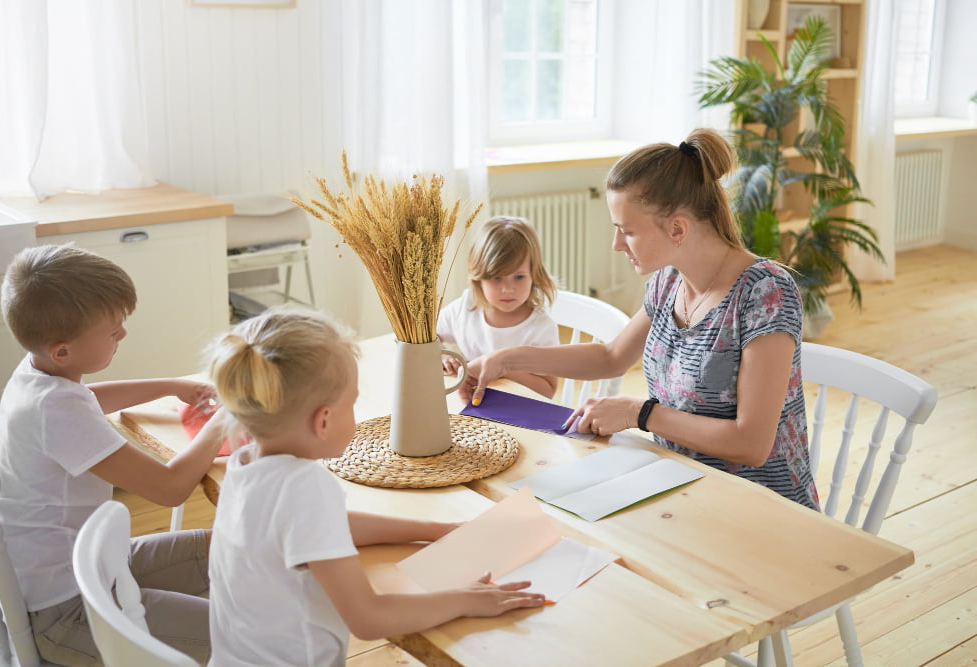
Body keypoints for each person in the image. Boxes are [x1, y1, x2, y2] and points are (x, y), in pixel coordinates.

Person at [461, 129, 819, 510]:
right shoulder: (668, 281)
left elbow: (751, 444)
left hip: (759, 506)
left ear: (677, 228)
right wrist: (506, 358)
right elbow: (612, 356)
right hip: (678, 484)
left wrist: (639, 413)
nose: (616, 245)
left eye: (627, 231)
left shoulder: (765, 293)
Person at [206, 306, 545, 666]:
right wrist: (468, 599)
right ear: (323, 420)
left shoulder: (246, 463)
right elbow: (368, 618)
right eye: (352, 403)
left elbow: (327, 524)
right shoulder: (305, 486)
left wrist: (437, 530)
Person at [0, 244, 229, 665]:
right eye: (113, 330)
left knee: (233, 548)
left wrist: (171, 385)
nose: (123, 335)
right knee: (242, 633)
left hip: (81, 569)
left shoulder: (37, 375)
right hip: (64, 612)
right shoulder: (54, 411)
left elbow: (86, 397)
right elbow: (171, 487)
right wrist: (224, 422)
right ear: (63, 351)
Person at [437, 215, 560, 398]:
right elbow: (430, 337)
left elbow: (548, 389)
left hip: (517, 411)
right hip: (471, 404)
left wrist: (501, 369)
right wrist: (442, 355)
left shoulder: (540, 328)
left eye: (519, 277)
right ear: (479, 278)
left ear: (534, 274)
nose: (508, 289)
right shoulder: (465, 307)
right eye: (496, 278)